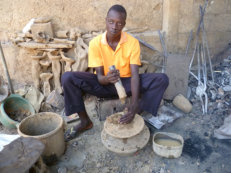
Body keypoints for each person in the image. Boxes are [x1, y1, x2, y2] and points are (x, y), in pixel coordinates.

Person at [61, 4, 169, 141]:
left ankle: (135, 114)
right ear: (106, 20)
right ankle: (84, 122)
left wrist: (135, 103)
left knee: (162, 79)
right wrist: (107, 79)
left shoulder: (132, 43)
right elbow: (99, 77)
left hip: (126, 83)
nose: (114, 26)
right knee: (68, 77)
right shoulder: (95, 43)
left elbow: (135, 75)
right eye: (111, 22)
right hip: (103, 84)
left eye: (119, 23)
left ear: (124, 24)